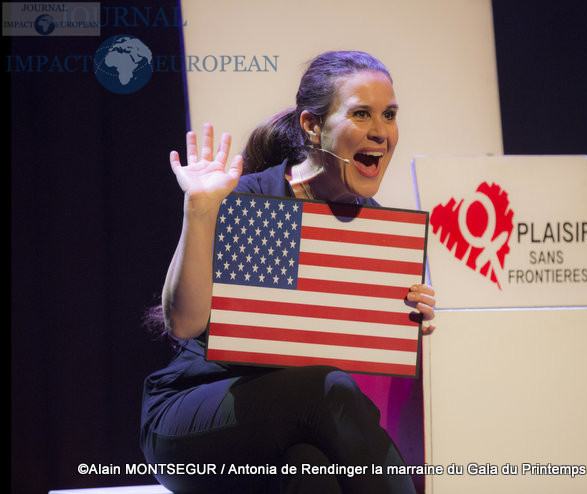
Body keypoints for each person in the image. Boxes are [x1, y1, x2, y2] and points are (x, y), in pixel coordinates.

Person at [140, 51, 436, 493]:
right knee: (327, 389)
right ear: (312, 126)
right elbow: (184, 323)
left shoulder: (375, 231)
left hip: (289, 424)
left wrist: (404, 322)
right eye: (361, 113)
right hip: (191, 417)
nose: (380, 131)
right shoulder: (255, 200)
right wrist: (200, 211)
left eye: (389, 114)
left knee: (312, 470)